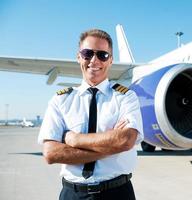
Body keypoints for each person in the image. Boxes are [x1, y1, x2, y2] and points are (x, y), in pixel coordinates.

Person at [38, 28, 143, 200]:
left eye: (102, 55)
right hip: (73, 194)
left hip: (117, 193)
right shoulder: (60, 100)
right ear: (78, 57)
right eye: (87, 53)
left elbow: (125, 140)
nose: (94, 60)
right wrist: (110, 146)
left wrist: (74, 140)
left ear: (110, 61)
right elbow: (51, 153)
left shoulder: (126, 97)